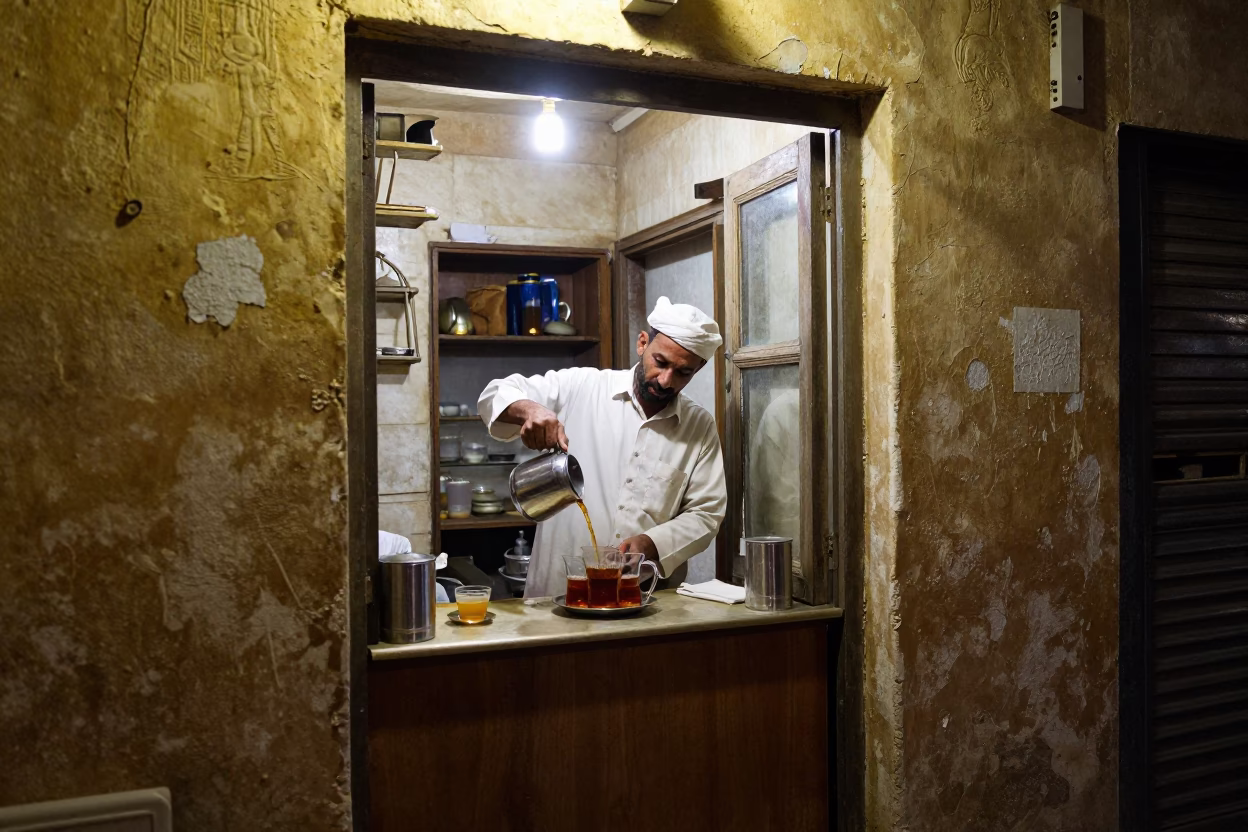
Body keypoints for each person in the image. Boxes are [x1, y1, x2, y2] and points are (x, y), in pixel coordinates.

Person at [478, 297, 727, 598]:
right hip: (557, 591)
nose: (665, 380)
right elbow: (495, 393)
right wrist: (529, 410)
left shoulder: (698, 426)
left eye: (683, 372)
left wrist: (653, 543)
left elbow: (706, 512)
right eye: (660, 362)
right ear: (642, 343)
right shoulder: (582, 386)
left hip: (641, 597)